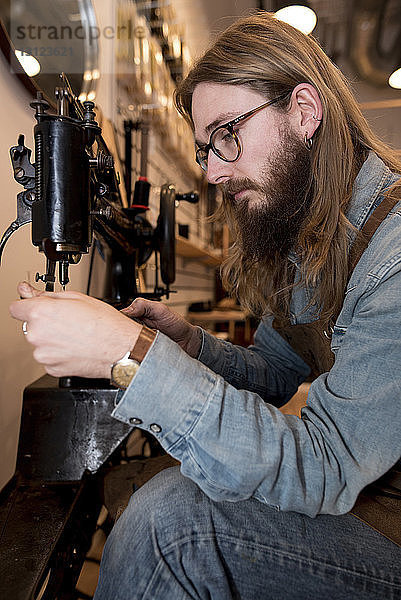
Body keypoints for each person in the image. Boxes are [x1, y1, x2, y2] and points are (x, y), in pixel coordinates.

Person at [9, 12, 401, 600]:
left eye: (227, 135)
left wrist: (130, 355)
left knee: (172, 528)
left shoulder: (393, 251)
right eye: (204, 150)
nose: (213, 171)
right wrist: (185, 345)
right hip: (368, 486)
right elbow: (274, 372)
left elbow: (324, 466)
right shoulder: (317, 235)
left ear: (303, 110)